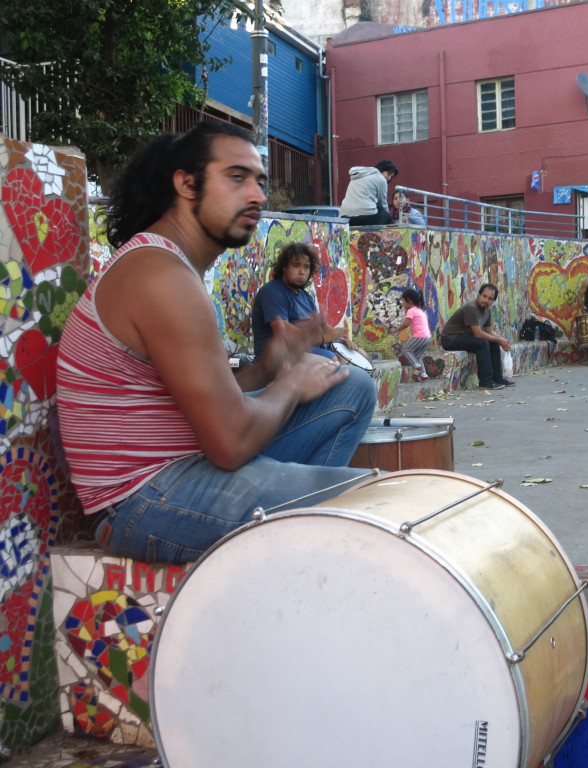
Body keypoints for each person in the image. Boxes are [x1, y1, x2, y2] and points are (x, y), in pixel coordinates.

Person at [55, 122, 377, 564]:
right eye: (237, 177)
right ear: (186, 184)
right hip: (140, 500)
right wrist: (290, 385)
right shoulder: (160, 274)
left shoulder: (170, 265)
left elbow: (208, 403)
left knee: (352, 387)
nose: (258, 196)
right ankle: (301, 543)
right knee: (366, 504)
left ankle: (293, 532)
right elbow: (229, 442)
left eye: (260, 182)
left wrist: (268, 368)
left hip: (192, 463)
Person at [252, 241, 348, 361]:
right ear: (284, 267)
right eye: (296, 265)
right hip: (280, 358)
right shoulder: (272, 291)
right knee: (331, 362)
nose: (302, 272)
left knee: (355, 354)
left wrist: (339, 339)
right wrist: (323, 338)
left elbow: (323, 329)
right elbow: (284, 333)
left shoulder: (306, 297)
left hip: (309, 351)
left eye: (306, 267)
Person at [440, 283, 516, 390]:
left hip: (464, 337)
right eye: (484, 296)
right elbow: (478, 334)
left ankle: (498, 379)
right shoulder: (471, 308)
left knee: (493, 342)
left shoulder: (487, 310)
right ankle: (485, 381)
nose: (486, 300)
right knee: (482, 343)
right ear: (479, 295)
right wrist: (499, 339)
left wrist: (502, 339)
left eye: (490, 298)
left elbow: (489, 331)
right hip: (450, 339)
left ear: (493, 301)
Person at [339, 160, 398, 226]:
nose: (389, 178)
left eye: (391, 177)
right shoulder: (381, 179)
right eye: (388, 174)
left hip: (345, 217)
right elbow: (382, 204)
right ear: (382, 169)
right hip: (364, 217)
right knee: (387, 217)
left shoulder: (359, 175)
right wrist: (388, 216)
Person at [393, 287, 432, 381]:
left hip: (419, 336)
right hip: (427, 338)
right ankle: (423, 375)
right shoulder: (420, 310)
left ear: (409, 300)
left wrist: (396, 330)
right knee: (416, 356)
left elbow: (406, 324)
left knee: (405, 349)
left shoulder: (411, 311)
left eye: (403, 301)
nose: (403, 304)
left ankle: (416, 366)